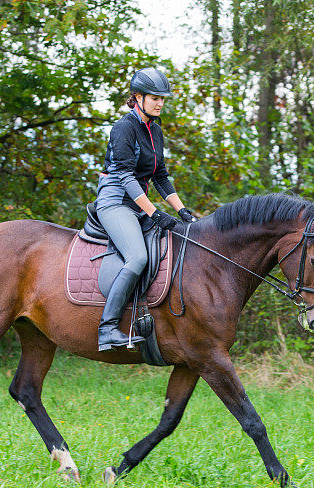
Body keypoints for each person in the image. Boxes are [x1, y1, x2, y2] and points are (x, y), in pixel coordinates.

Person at [94, 67, 197, 352]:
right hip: (115, 202)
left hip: (139, 204)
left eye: (163, 98)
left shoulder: (155, 130)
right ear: (137, 97)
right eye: (154, 97)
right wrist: (154, 212)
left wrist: (181, 210)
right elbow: (126, 177)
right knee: (138, 257)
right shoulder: (124, 127)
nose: (160, 103)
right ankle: (107, 329)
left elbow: (160, 175)